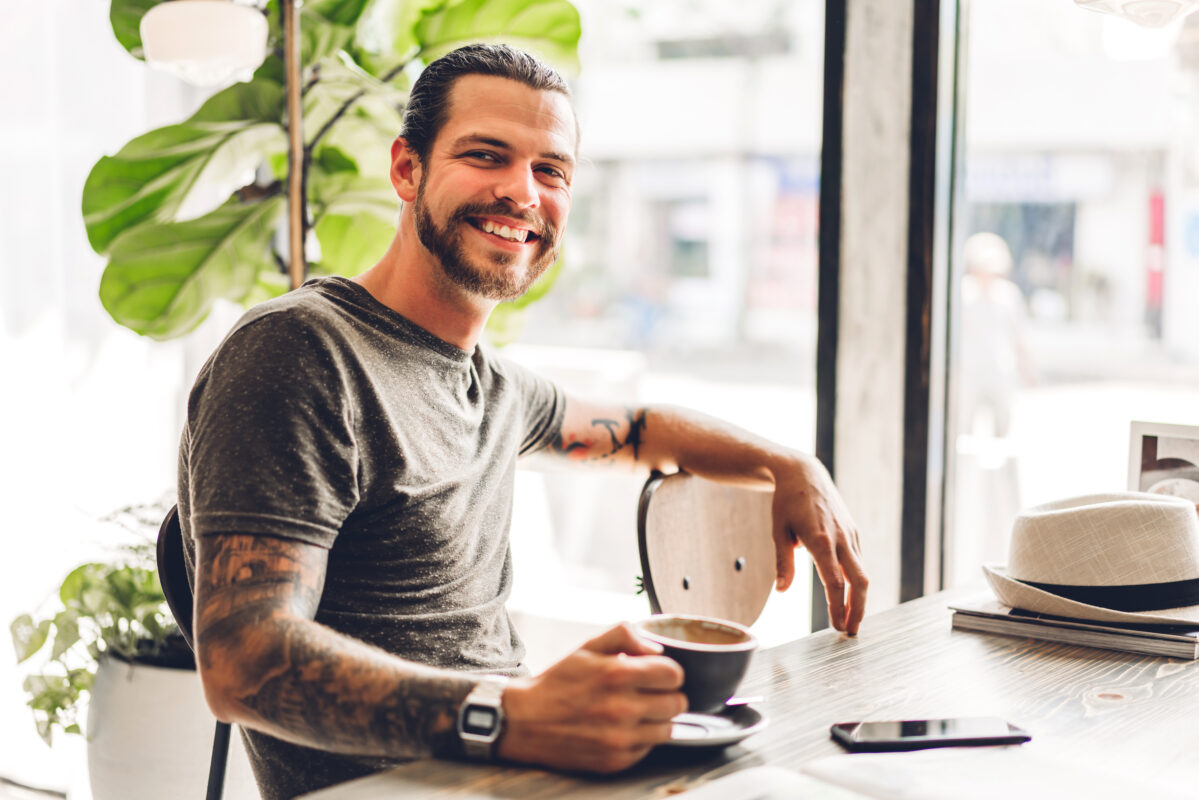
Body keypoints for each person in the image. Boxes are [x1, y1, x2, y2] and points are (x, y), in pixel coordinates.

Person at [178, 44, 867, 800]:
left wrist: (788, 465)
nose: (522, 193)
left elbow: (643, 429)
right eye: (486, 155)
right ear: (406, 169)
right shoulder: (302, 352)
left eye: (551, 171)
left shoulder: (490, 384)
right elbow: (244, 662)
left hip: (527, 776)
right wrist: (513, 713)